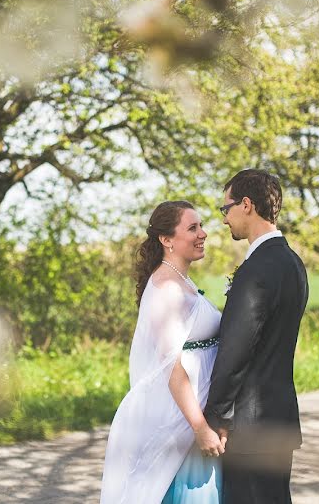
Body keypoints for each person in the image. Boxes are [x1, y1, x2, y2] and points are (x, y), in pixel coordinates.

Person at [100, 200, 224, 503]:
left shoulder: (182, 280)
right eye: (192, 228)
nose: (203, 234)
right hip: (177, 420)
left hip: (192, 415)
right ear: (166, 240)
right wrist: (200, 428)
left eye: (202, 226)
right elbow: (173, 367)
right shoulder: (166, 289)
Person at [203, 169, 309, 504]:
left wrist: (216, 416)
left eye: (226, 209)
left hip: (250, 428)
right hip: (280, 419)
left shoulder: (256, 270)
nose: (224, 220)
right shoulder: (293, 264)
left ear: (246, 205)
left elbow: (236, 351)